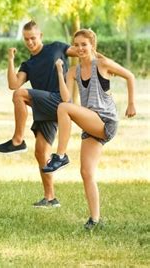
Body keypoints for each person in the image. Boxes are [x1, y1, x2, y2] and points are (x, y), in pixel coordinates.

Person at [42, 29, 136, 229]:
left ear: (92, 45)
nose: (80, 48)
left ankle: (60, 156)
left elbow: (130, 76)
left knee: (63, 108)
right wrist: (60, 72)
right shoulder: (73, 71)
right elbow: (67, 98)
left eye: (84, 44)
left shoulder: (102, 64)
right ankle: (95, 220)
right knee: (86, 173)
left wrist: (131, 104)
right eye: (76, 45)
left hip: (105, 121)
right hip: (91, 125)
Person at [0, 20, 78, 208]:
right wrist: (10, 60)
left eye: (33, 38)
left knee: (20, 95)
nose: (30, 42)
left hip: (59, 101)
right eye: (26, 39)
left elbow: (81, 51)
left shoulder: (57, 47)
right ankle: (50, 198)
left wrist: (101, 61)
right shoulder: (28, 64)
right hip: (45, 109)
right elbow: (13, 83)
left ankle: (17, 140)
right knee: (41, 152)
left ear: (41, 36)